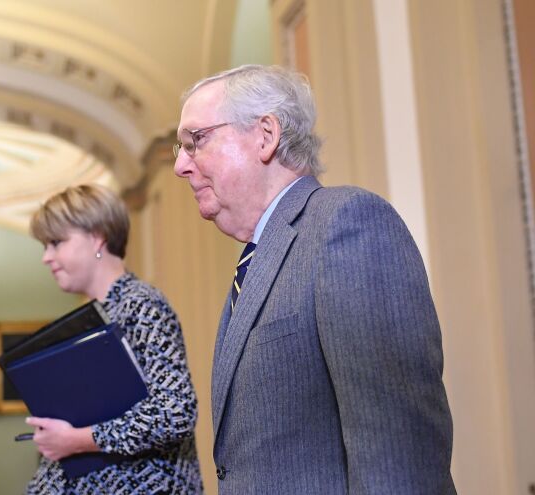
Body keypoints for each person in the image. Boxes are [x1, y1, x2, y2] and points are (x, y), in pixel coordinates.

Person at [173, 64, 455, 493]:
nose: (180, 165)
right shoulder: (259, 257)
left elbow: (400, 450)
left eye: (196, 141)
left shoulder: (347, 224)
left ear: (265, 135)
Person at [25, 184, 202, 494]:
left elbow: (176, 412)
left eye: (55, 243)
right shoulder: (96, 315)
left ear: (97, 237)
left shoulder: (141, 304)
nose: (46, 257)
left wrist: (78, 439)